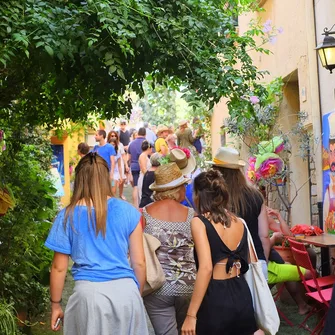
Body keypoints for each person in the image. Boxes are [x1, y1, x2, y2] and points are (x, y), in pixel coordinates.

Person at [45, 153, 148, 335]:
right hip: (127, 292)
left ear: (79, 179)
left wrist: (55, 305)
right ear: (106, 176)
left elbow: (58, 268)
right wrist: (135, 295)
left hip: (89, 297)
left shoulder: (67, 216)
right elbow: (139, 262)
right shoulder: (129, 212)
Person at [182, 169, 258, 335]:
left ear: (198, 195)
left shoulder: (199, 222)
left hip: (216, 298)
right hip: (242, 293)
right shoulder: (240, 222)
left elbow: (206, 268)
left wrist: (191, 315)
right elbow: (250, 259)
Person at [142, 163, 196, 335]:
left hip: (157, 287)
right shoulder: (191, 215)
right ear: (177, 189)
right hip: (189, 286)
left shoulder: (144, 213)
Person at [209, 147, 271, 280]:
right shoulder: (256, 196)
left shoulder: (213, 197)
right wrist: (262, 261)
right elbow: (264, 236)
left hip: (224, 266)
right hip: (255, 262)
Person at [107, 130, 129, 200]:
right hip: (107, 173)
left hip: (115, 174)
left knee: (114, 189)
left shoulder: (118, 151)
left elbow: (120, 165)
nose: (114, 137)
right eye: (112, 136)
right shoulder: (106, 151)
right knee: (108, 190)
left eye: (115, 136)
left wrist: (125, 166)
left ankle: (116, 197)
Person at [128, 127, 146, 208]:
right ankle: (143, 206)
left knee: (135, 186)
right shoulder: (146, 143)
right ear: (145, 134)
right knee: (144, 186)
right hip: (144, 166)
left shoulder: (132, 143)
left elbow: (129, 158)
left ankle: (135, 206)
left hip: (134, 166)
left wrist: (128, 167)